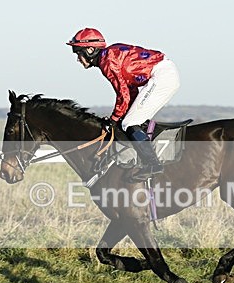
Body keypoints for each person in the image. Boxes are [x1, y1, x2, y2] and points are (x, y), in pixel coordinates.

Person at [66, 28, 180, 181]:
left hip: (161, 76)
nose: (78, 59)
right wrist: (118, 117)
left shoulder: (107, 61)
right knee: (129, 119)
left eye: (78, 53)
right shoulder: (109, 56)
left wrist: (114, 119)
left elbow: (123, 95)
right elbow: (130, 91)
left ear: (91, 50)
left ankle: (153, 164)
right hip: (164, 73)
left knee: (130, 122)